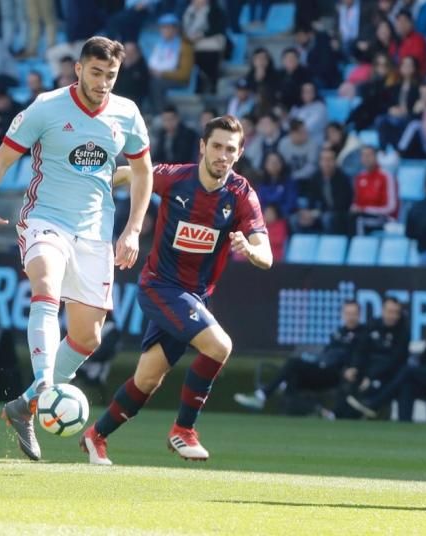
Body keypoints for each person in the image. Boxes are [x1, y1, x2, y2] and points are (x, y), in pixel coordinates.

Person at [0, 37, 154, 462]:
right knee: (46, 286)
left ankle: (27, 405)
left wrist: (133, 230)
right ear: (78, 69)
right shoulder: (46, 107)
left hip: (95, 233)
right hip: (44, 219)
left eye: (111, 75)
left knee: (88, 336)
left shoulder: (126, 113)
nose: (104, 82)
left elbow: (143, 173)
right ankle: (47, 389)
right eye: (96, 73)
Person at [80, 115, 271, 465]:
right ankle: (183, 430)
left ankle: (96, 435)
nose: (222, 155)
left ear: (239, 153)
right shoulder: (174, 177)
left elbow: (267, 255)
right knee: (220, 345)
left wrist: (252, 250)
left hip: (194, 297)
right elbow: (129, 174)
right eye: (216, 146)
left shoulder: (241, 195)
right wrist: (90, 187)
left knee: (147, 379)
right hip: (159, 286)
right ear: (202, 147)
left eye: (230, 149)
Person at [233, 300, 364, 412]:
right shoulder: (338, 333)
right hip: (323, 369)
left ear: (359, 315)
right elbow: (327, 354)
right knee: (293, 377)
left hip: (338, 376)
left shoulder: (363, 335)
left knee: (294, 363)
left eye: (353, 314)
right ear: (342, 314)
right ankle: (294, 416)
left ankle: (262, 395)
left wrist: (352, 369)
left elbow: (361, 356)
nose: (350, 317)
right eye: (347, 313)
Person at [347, 308, 426, 422]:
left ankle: (375, 403)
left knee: (408, 370)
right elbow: (423, 360)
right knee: (407, 385)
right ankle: (405, 424)